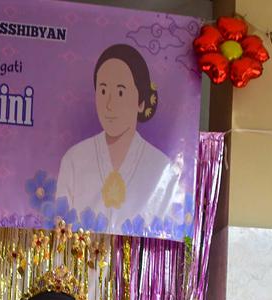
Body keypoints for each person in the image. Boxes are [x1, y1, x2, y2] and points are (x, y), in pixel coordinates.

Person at [55, 44, 181, 234]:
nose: (109, 105)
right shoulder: (74, 160)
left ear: (140, 102)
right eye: (103, 91)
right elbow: (58, 233)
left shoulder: (163, 169)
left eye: (121, 92)